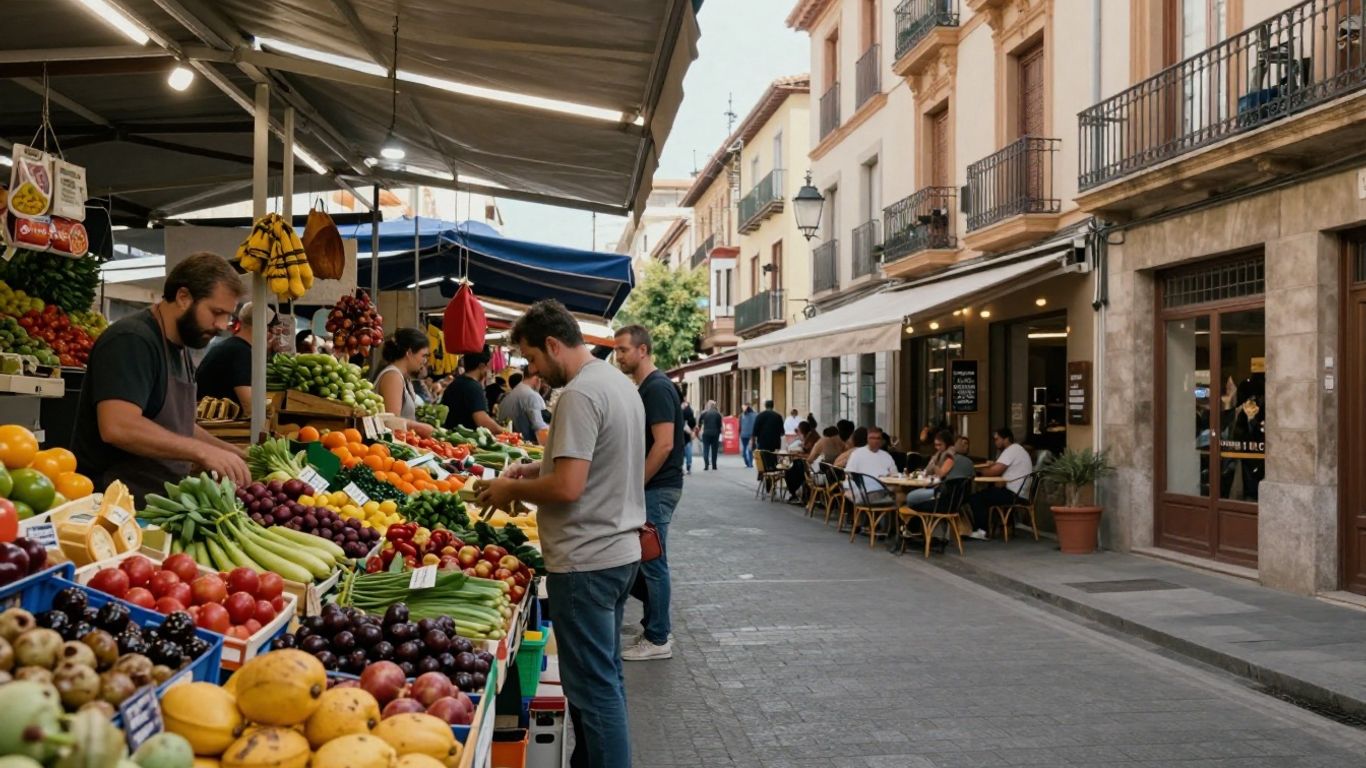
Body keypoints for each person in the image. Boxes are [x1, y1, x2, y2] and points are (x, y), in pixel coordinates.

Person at [474, 300, 643, 768]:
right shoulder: (617, 383)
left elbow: (569, 487)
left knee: (593, 691)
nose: (534, 370)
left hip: (586, 560)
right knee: (604, 681)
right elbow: (590, 464)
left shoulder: (579, 395)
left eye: (531, 358)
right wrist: (535, 467)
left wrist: (508, 485)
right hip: (617, 552)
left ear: (552, 344)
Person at [73, 252, 250, 502]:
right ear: (183, 297)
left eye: (228, 316)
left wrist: (230, 453)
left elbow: (179, 426)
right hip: (114, 504)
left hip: (156, 501)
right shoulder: (132, 341)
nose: (222, 325)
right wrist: (201, 452)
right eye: (216, 312)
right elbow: (118, 426)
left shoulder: (180, 347)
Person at [613, 326, 683, 661]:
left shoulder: (656, 388)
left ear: (643, 350)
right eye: (617, 350)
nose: (619, 355)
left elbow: (665, 443)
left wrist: (636, 484)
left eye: (624, 349)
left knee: (653, 563)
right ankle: (656, 627)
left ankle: (658, 639)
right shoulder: (650, 387)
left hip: (657, 488)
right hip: (656, 487)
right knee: (648, 562)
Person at [195, 300, 276, 413]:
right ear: (262, 326)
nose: (271, 334)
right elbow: (249, 405)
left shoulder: (231, 346)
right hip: (217, 426)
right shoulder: (241, 352)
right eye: (270, 328)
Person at [967, 427, 1034, 540]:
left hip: (1013, 494)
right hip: (1019, 493)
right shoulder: (1016, 449)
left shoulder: (1012, 450)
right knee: (986, 493)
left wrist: (976, 472)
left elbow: (994, 471)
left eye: (997, 439)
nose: (995, 442)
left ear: (1006, 439)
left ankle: (982, 531)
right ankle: (993, 527)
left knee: (977, 498)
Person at [374, 328, 437, 438]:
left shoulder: (404, 377)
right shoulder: (393, 376)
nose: (425, 361)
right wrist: (421, 428)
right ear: (409, 353)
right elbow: (392, 421)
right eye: (423, 355)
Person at [440, 345, 506, 434]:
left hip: (452, 438)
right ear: (482, 366)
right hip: (465, 442)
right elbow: (482, 421)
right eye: (489, 366)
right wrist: (504, 432)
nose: (489, 370)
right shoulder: (473, 387)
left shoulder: (455, 383)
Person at [905, 429, 975, 507]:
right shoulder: (969, 462)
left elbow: (940, 474)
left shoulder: (949, 458)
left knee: (910, 497)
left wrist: (934, 463)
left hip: (943, 499)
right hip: (959, 502)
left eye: (940, 445)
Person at [499, 366, 550, 444]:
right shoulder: (531, 395)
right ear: (537, 379)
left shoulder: (511, 394)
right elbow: (540, 429)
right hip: (523, 446)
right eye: (544, 382)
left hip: (508, 443)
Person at [843, 426, 898, 497]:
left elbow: (895, 475)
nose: (875, 441)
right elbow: (849, 475)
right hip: (864, 491)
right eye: (872, 438)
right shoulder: (857, 454)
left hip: (884, 489)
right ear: (867, 439)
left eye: (878, 438)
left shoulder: (886, 456)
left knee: (903, 494)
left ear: (882, 440)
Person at [698, 400, 722, 470]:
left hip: (706, 433)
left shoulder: (704, 413)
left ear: (708, 405)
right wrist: (719, 433)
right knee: (714, 450)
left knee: (706, 449)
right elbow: (719, 425)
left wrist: (700, 428)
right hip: (715, 434)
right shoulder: (718, 414)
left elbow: (699, 422)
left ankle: (706, 465)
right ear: (714, 406)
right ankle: (714, 466)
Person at [680, 400, 696, 475]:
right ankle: (688, 465)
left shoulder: (679, 410)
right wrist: (692, 431)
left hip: (680, 434)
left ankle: (681, 467)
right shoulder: (689, 411)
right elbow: (693, 421)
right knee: (688, 449)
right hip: (687, 434)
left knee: (681, 452)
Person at [739, 404, 757, 469]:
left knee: (744, 448)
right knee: (750, 449)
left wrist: (740, 433)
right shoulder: (755, 415)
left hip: (743, 435)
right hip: (751, 435)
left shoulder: (741, 415)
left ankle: (747, 462)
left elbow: (740, 426)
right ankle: (750, 463)